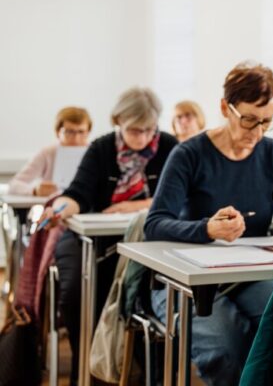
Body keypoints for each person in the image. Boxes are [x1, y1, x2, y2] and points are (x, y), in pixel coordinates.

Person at [144, 62, 273, 384]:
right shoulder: (189, 154)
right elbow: (154, 224)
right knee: (227, 348)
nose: (257, 132)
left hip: (247, 275)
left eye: (266, 122)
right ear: (225, 108)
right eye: (249, 119)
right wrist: (207, 229)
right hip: (187, 280)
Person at [40, 87, 176, 385]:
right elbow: (77, 194)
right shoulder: (101, 148)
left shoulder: (169, 146)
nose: (142, 137)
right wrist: (58, 209)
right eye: (134, 130)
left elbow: (181, 197)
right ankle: (89, 367)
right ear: (119, 121)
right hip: (92, 238)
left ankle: (139, 370)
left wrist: (137, 205)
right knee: (77, 291)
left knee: (145, 290)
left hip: (146, 240)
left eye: (148, 129)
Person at [9, 106, 92, 196]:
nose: (76, 138)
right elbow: (14, 184)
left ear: (88, 132)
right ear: (58, 132)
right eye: (69, 132)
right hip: (54, 202)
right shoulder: (48, 153)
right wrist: (35, 190)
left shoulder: (94, 152)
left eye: (81, 132)